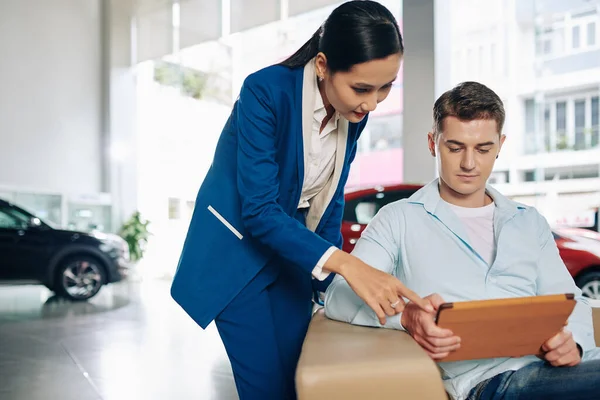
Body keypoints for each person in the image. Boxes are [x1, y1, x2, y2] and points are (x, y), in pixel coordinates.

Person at [170, 1, 431, 399]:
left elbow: (328, 201)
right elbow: (258, 210)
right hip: (237, 255)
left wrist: (329, 284)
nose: (372, 103)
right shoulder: (265, 91)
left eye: (386, 87)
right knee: (266, 389)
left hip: (293, 256)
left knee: (301, 380)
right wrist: (348, 266)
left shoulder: (353, 114)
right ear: (323, 65)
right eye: (362, 88)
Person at [324, 81, 600, 400]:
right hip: (493, 381)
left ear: (500, 145)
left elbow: (570, 299)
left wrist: (575, 342)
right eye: (455, 147)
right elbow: (339, 295)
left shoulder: (529, 221)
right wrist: (408, 317)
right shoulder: (398, 218)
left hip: (564, 371)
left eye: (483, 149)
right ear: (433, 143)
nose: (469, 163)